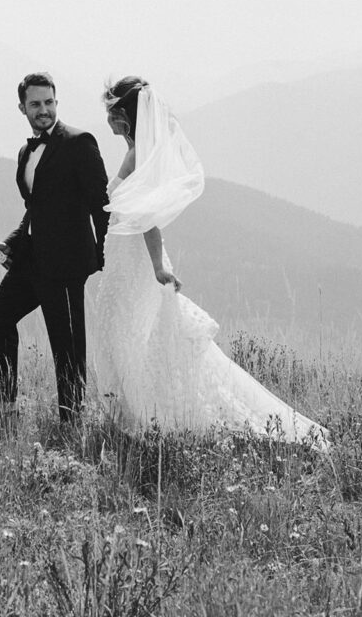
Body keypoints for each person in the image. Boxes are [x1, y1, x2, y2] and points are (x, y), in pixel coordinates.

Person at [87, 75, 329, 446]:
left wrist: (157, 268)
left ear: (122, 113)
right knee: (126, 331)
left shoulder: (139, 156)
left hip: (136, 260)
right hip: (125, 256)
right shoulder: (139, 150)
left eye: (110, 110)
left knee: (124, 330)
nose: (106, 118)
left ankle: (146, 415)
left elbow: (147, 217)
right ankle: (133, 415)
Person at [0, 72, 109, 424]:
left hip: (68, 265)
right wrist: (8, 245)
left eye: (49, 102)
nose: (44, 110)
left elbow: (101, 206)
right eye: (36, 104)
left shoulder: (80, 142)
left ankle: (71, 419)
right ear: (22, 107)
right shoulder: (26, 151)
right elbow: (34, 211)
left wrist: (102, 259)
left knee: (66, 346)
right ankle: (3, 405)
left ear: (57, 102)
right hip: (31, 261)